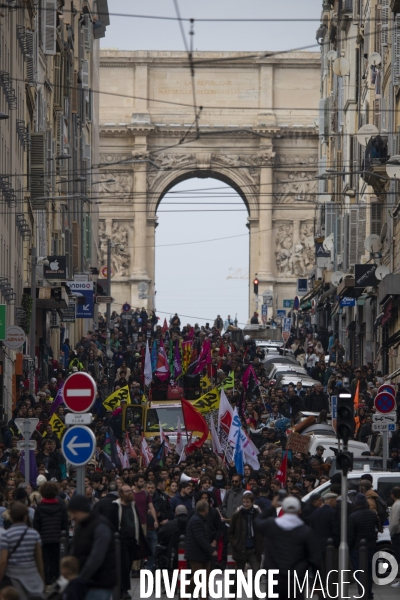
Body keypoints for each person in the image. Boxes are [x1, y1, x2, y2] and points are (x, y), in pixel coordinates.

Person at [255, 496, 319, 599]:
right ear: (299, 511)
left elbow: (257, 521)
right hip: (296, 579)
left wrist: (272, 507)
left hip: (274, 577)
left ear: (283, 510)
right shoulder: (305, 531)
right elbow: (315, 559)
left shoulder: (271, 525)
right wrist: (317, 582)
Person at [68, 494, 117, 600]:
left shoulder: (101, 526)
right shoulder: (82, 525)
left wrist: (80, 578)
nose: (72, 517)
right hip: (88, 582)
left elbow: (97, 557)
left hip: (99, 582)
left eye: (74, 512)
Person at [111, 484, 150, 598]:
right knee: (123, 565)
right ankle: (123, 591)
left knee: (128, 566)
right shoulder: (116, 506)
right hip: (121, 541)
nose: (130, 493)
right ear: (121, 494)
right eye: (127, 491)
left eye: (130, 491)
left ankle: (123, 588)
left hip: (132, 540)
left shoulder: (133, 505)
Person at [0, 502, 44, 600]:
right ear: (25, 516)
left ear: (11, 516)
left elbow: (3, 561)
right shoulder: (34, 534)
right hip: (32, 577)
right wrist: (42, 578)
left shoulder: (6, 535)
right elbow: (39, 559)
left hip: (13, 579)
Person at [33, 481, 69, 585]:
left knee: (45, 560)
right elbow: (64, 523)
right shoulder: (61, 505)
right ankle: (56, 578)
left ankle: (46, 580)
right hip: (58, 538)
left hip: (43, 539)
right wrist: (64, 535)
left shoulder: (39, 507)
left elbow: (36, 525)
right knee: (56, 560)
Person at [348, 493, 379, 600]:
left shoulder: (353, 517)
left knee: (359, 572)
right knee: (369, 571)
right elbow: (376, 529)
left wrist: (349, 548)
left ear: (356, 504)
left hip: (356, 548)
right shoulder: (372, 514)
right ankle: (369, 593)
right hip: (370, 547)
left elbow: (350, 535)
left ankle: (362, 593)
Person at [185, 500, 217, 600]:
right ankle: (184, 592)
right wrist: (211, 550)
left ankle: (204, 597)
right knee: (199, 577)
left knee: (205, 578)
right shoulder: (197, 520)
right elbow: (200, 538)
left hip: (202, 554)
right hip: (196, 554)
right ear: (205, 509)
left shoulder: (200, 519)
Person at [228, 491, 263, 577]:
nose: (246, 504)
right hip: (240, 548)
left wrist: (261, 543)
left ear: (252, 502)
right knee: (238, 575)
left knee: (257, 572)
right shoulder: (237, 515)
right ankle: (233, 590)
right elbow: (230, 532)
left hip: (253, 549)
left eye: (248, 502)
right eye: (244, 502)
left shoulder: (257, 514)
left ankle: (255, 590)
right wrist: (235, 543)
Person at [389, 486, 400, 589]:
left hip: (397, 534)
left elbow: (394, 523)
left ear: (393, 495)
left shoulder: (396, 505)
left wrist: (391, 533)